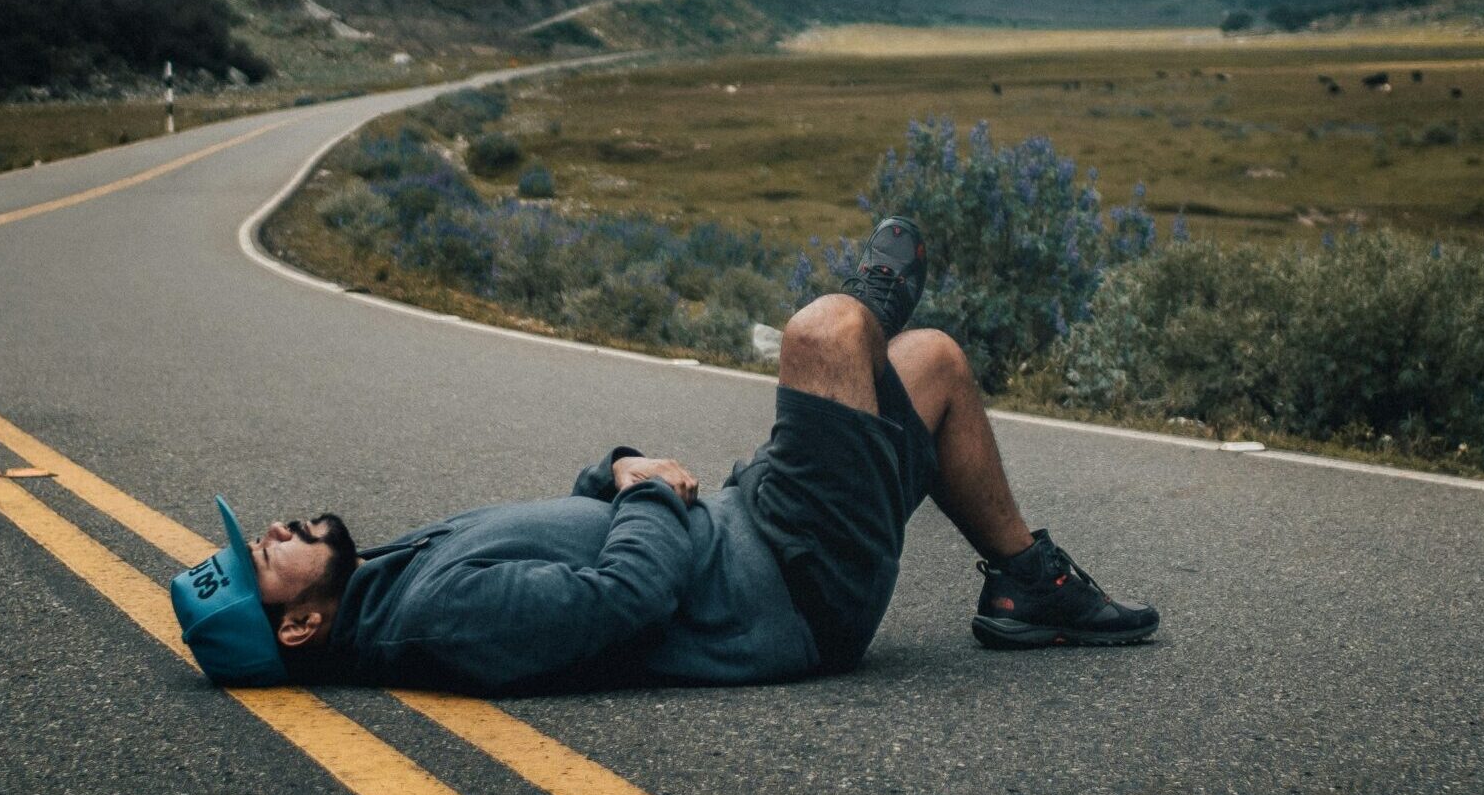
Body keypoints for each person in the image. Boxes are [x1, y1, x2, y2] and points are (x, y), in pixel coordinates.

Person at [171, 217, 1159, 691]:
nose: (275, 528)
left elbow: (577, 534)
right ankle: (868, 290)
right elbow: (619, 599)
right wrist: (646, 493)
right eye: (265, 556)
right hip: (794, 585)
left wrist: (615, 473)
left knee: (932, 367)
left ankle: (1028, 583)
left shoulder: (394, 579)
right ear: (298, 626)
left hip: (749, 525)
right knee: (825, 333)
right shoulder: (438, 618)